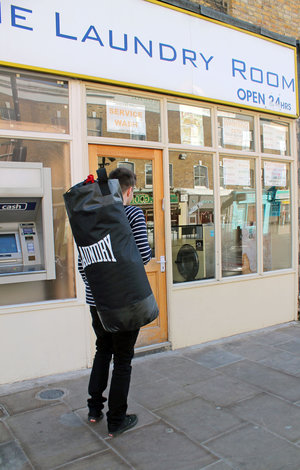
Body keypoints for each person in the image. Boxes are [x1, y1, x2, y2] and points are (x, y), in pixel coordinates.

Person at [77, 167, 152, 437]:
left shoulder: (90, 215)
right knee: (122, 359)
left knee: (102, 349)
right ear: (129, 190)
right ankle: (117, 420)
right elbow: (143, 255)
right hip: (125, 301)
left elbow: (83, 263)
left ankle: (94, 409)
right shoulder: (131, 213)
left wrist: (98, 291)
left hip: (96, 300)